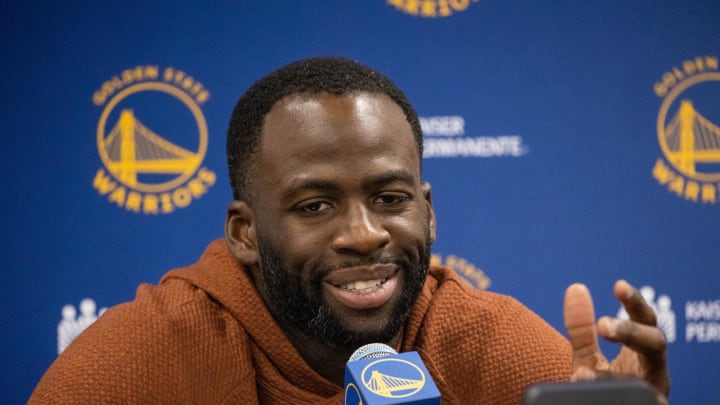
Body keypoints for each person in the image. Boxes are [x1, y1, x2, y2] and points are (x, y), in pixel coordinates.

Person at [29, 57, 669, 404]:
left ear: (428, 211)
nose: (364, 235)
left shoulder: (493, 348)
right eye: (314, 206)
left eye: (390, 199)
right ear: (245, 233)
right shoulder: (126, 371)